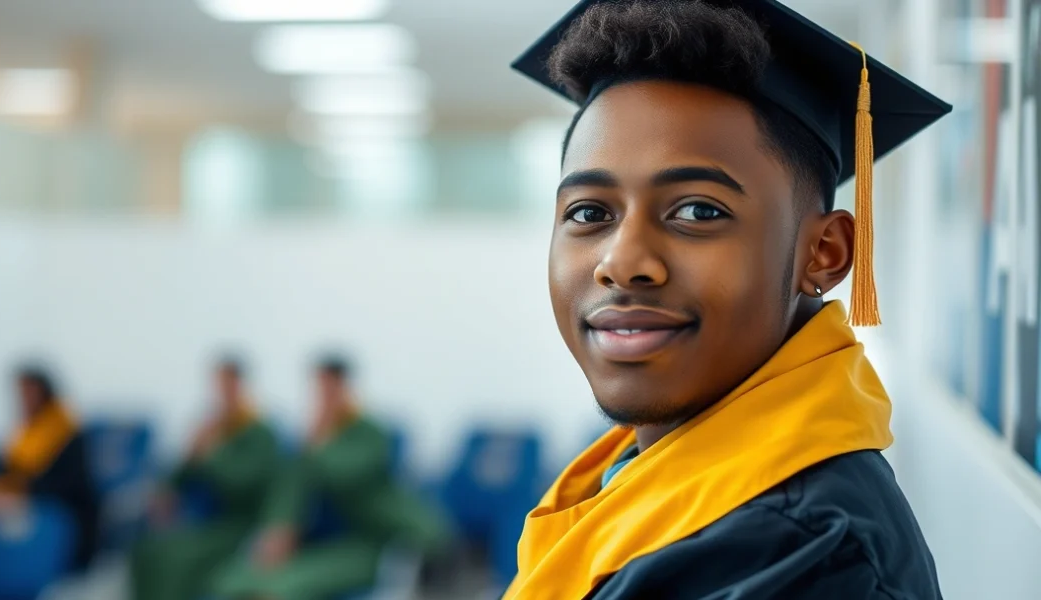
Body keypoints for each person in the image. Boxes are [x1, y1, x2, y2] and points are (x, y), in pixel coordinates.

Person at [503, 0, 951, 598]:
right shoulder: (628, 473)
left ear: (825, 253)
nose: (623, 263)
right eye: (589, 213)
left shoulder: (800, 554)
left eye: (697, 211)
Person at [208, 355, 451, 600]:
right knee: (234, 580)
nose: (324, 397)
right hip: (316, 540)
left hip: (364, 545)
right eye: (319, 389)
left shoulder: (369, 434)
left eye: (330, 388)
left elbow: (345, 474)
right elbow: (291, 484)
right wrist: (280, 525)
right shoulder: (312, 441)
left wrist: (319, 443)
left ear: (345, 388)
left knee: (285, 586)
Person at [130, 356, 280, 600]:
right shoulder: (214, 426)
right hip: (202, 520)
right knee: (147, 551)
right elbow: (180, 478)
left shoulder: (260, 432)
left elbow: (244, 484)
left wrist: (212, 454)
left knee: (177, 559)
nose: (222, 393)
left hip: (240, 524)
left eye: (228, 385)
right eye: (218, 386)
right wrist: (177, 474)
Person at [0, 367, 100, 570]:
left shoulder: (65, 429)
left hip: (64, 515)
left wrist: (20, 493)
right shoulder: (25, 431)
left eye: (29, 391)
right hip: (27, 503)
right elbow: (5, 468)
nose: (23, 398)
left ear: (44, 391)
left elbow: (67, 482)